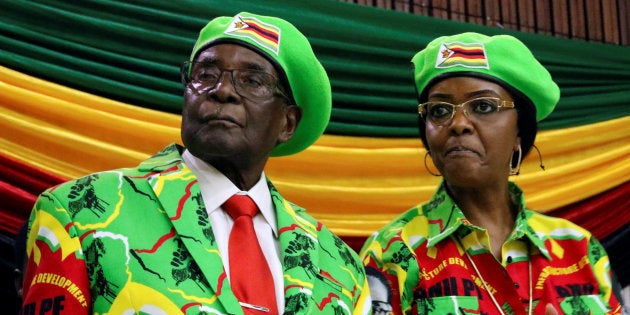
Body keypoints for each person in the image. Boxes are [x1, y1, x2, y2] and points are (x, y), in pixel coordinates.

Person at [21, 12, 370, 315]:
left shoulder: (339, 262)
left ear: (287, 123)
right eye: (205, 74)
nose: (222, 90)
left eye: (252, 80)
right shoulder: (80, 211)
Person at [360, 32, 622, 315]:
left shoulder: (579, 248)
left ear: (519, 132)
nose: (458, 124)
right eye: (438, 110)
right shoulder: (393, 250)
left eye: (483, 106)